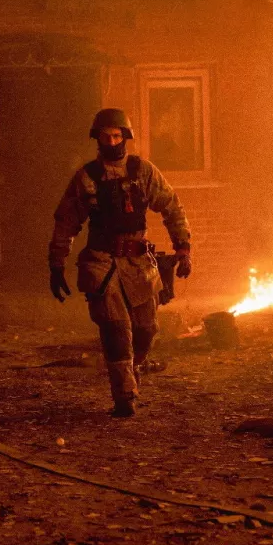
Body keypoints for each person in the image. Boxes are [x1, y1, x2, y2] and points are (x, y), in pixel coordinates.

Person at [48, 108, 192, 418]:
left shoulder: (142, 172)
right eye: (106, 136)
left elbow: (171, 206)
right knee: (116, 329)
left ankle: (134, 369)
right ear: (97, 138)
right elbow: (66, 221)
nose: (112, 141)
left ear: (125, 137)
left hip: (138, 263)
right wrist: (57, 263)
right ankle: (124, 395)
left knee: (146, 329)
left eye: (117, 135)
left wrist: (183, 248)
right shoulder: (87, 177)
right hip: (100, 262)